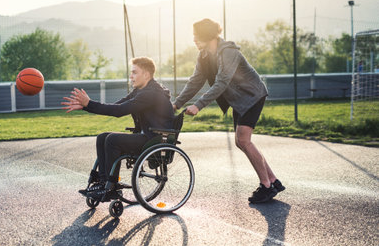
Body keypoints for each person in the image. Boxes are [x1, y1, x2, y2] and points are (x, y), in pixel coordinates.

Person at [173, 18, 285, 204]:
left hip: (252, 96)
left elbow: (222, 82)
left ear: (207, 35)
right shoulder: (204, 56)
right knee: (241, 142)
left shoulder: (228, 52)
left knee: (243, 140)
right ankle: (273, 181)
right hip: (239, 101)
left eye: (196, 35)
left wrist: (198, 105)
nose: (193, 39)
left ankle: (266, 186)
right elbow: (195, 82)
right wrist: (176, 104)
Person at [62, 57, 174, 201]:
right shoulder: (140, 91)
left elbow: (119, 111)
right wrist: (86, 106)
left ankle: (110, 186)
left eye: (134, 72)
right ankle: (103, 182)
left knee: (112, 140)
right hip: (146, 136)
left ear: (146, 75)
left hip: (154, 139)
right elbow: (116, 106)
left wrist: (89, 103)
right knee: (102, 137)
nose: (131, 76)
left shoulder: (150, 94)